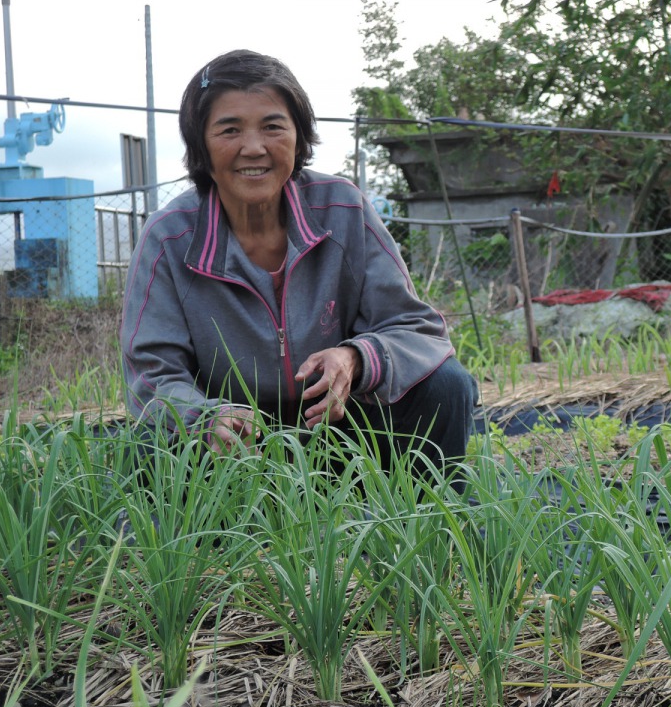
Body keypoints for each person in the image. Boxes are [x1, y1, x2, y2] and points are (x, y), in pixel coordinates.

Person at [120, 49, 476, 477]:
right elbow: (153, 376)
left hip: (340, 423)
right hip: (235, 445)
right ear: (201, 144)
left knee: (446, 383)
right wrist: (207, 416)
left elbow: (419, 332)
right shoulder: (169, 238)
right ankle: (213, 539)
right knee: (154, 437)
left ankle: (428, 524)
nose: (254, 148)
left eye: (273, 127)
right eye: (229, 130)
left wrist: (356, 358)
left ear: (298, 136)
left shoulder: (343, 209)